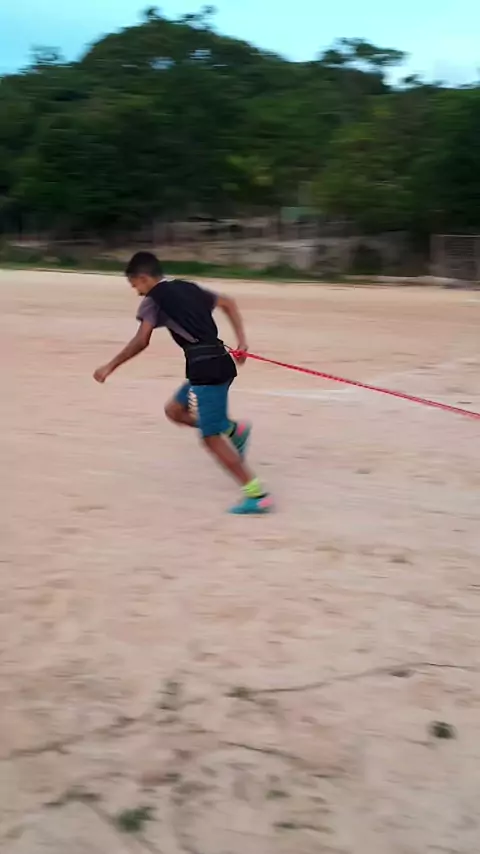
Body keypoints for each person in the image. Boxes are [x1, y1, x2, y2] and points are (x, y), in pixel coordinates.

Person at [93, 251, 273, 514]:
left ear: (143, 278)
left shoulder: (153, 301)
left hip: (206, 372)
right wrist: (242, 343)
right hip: (218, 363)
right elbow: (229, 303)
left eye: (135, 285)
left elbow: (142, 340)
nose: (137, 292)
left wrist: (110, 366)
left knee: (210, 439)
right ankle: (234, 430)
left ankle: (256, 494)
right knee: (175, 411)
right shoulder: (188, 287)